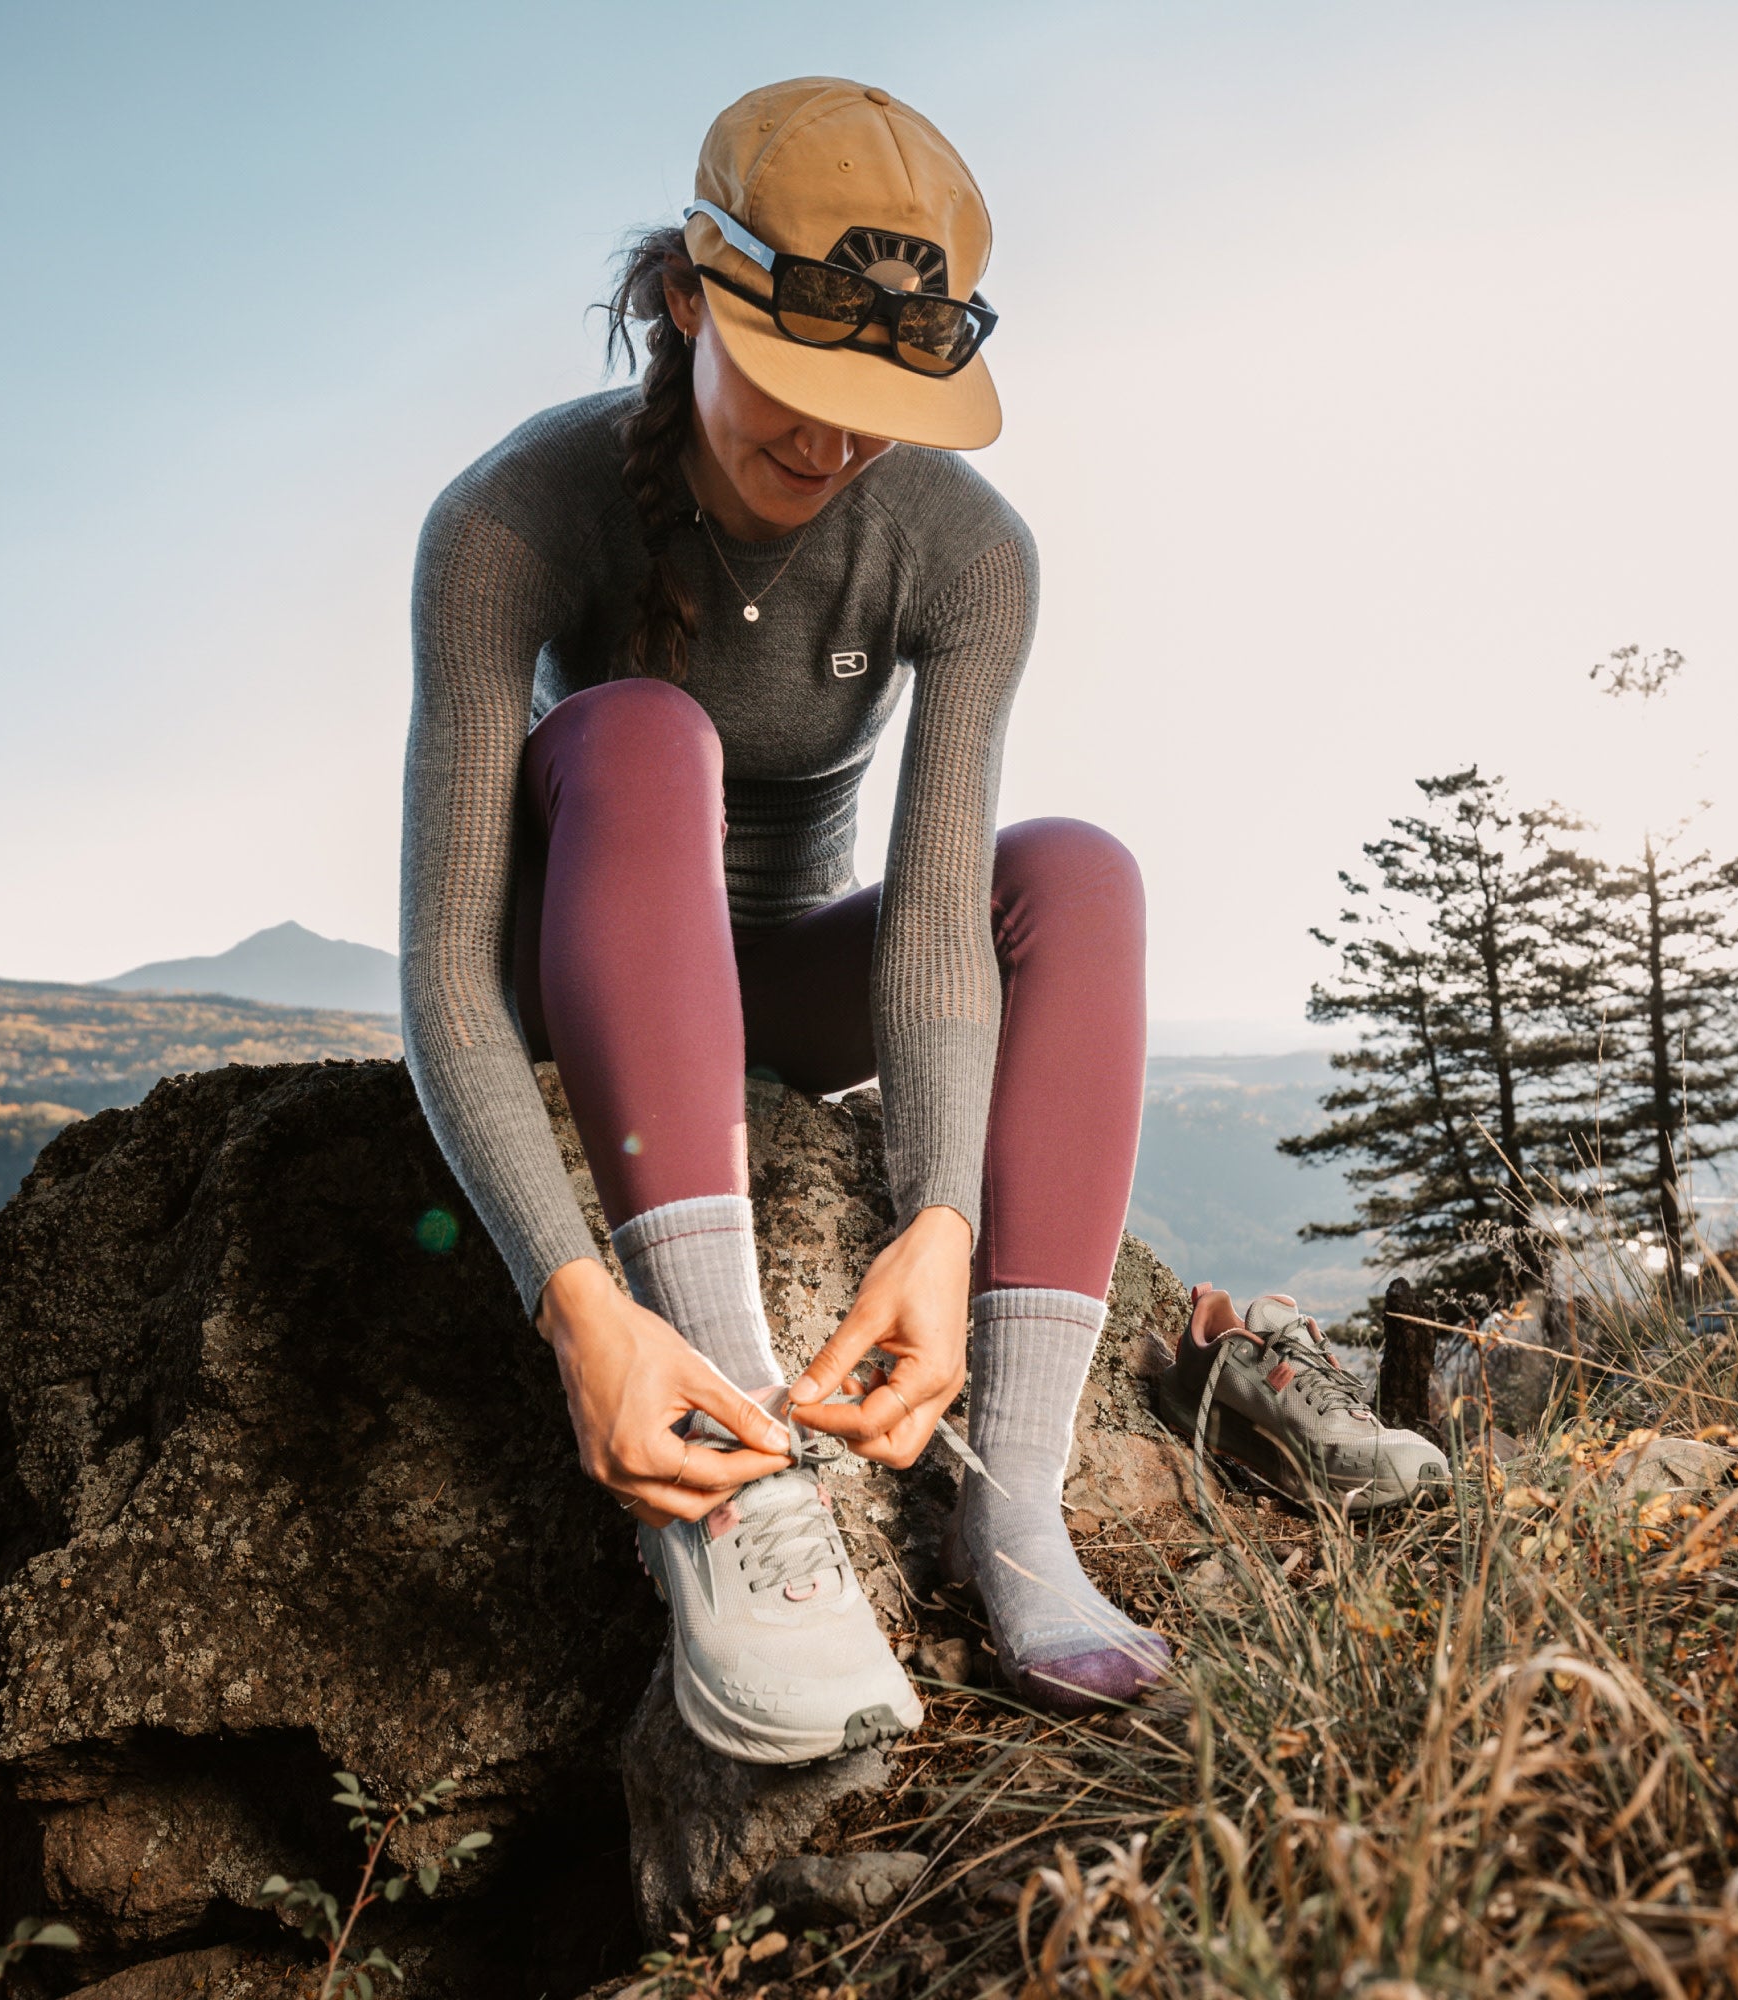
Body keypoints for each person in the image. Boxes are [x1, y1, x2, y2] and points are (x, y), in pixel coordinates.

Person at [401, 76, 1167, 1764]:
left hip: (775, 992)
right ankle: (736, 1489)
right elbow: (448, 965)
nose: (833, 445)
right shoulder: (509, 522)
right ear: (691, 297)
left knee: (1079, 872)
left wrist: (944, 1218)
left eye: (882, 405)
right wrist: (576, 1301)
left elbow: (940, 926)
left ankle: (1018, 1513)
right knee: (638, 726)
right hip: (577, 981)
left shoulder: (966, 554)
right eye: (800, 390)